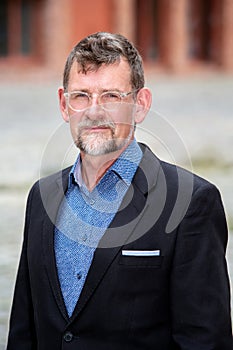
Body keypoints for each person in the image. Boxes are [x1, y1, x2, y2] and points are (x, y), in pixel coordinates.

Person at [7, 32, 233, 350]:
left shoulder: (192, 202)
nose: (94, 111)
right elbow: (23, 331)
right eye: (81, 96)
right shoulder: (42, 197)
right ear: (63, 104)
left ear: (140, 105)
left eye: (111, 96)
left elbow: (204, 341)